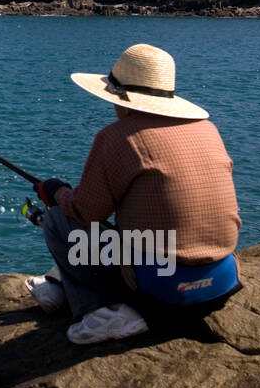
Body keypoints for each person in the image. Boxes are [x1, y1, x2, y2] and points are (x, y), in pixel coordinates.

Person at [26, 43, 242, 344]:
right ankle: (62, 282)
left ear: (122, 99)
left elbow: (88, 213)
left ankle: (101, 312)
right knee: (133, 235)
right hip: (221, 282)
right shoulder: (208, 129)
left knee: (58, 219)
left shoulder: (117, 137)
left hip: (164, 290)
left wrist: (57, 192)